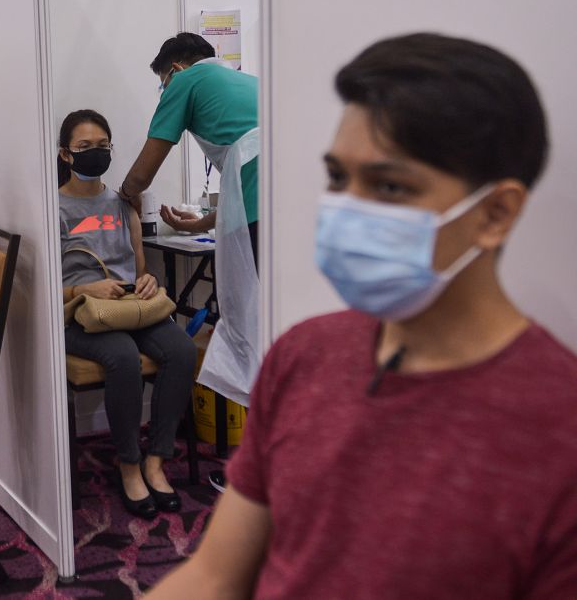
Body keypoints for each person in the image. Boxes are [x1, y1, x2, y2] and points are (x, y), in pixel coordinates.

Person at [145, 33, 577, 599]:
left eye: (390, 185)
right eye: (338, 178)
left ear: (496, 213)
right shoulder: (304, 355)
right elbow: (213, 575)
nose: (348, 209)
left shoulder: (556, 432)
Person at [120, 32, 260, 493]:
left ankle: (260, 471)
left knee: (257, 332)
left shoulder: (186, 82)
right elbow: (250, 190)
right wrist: (200, 222)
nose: (165, 90)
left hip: (262, 208)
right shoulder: (246, 83)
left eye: (162, 81)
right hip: (286, 208)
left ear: (174, 70)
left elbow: (142, 173)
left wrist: (121, 199)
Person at [58, 109, 196, 519]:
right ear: (66, 154)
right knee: (121, 357)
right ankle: (129, 463)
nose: (95, 154)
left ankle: (157, 458)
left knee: (182, 350)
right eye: (85, 148)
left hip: (128, 305)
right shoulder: (54, 208)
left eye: (102, 146)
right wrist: (85, 287)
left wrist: (148, 281)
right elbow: (43, 288)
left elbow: (139, 266)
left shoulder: (122, 203)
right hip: (80, 312)